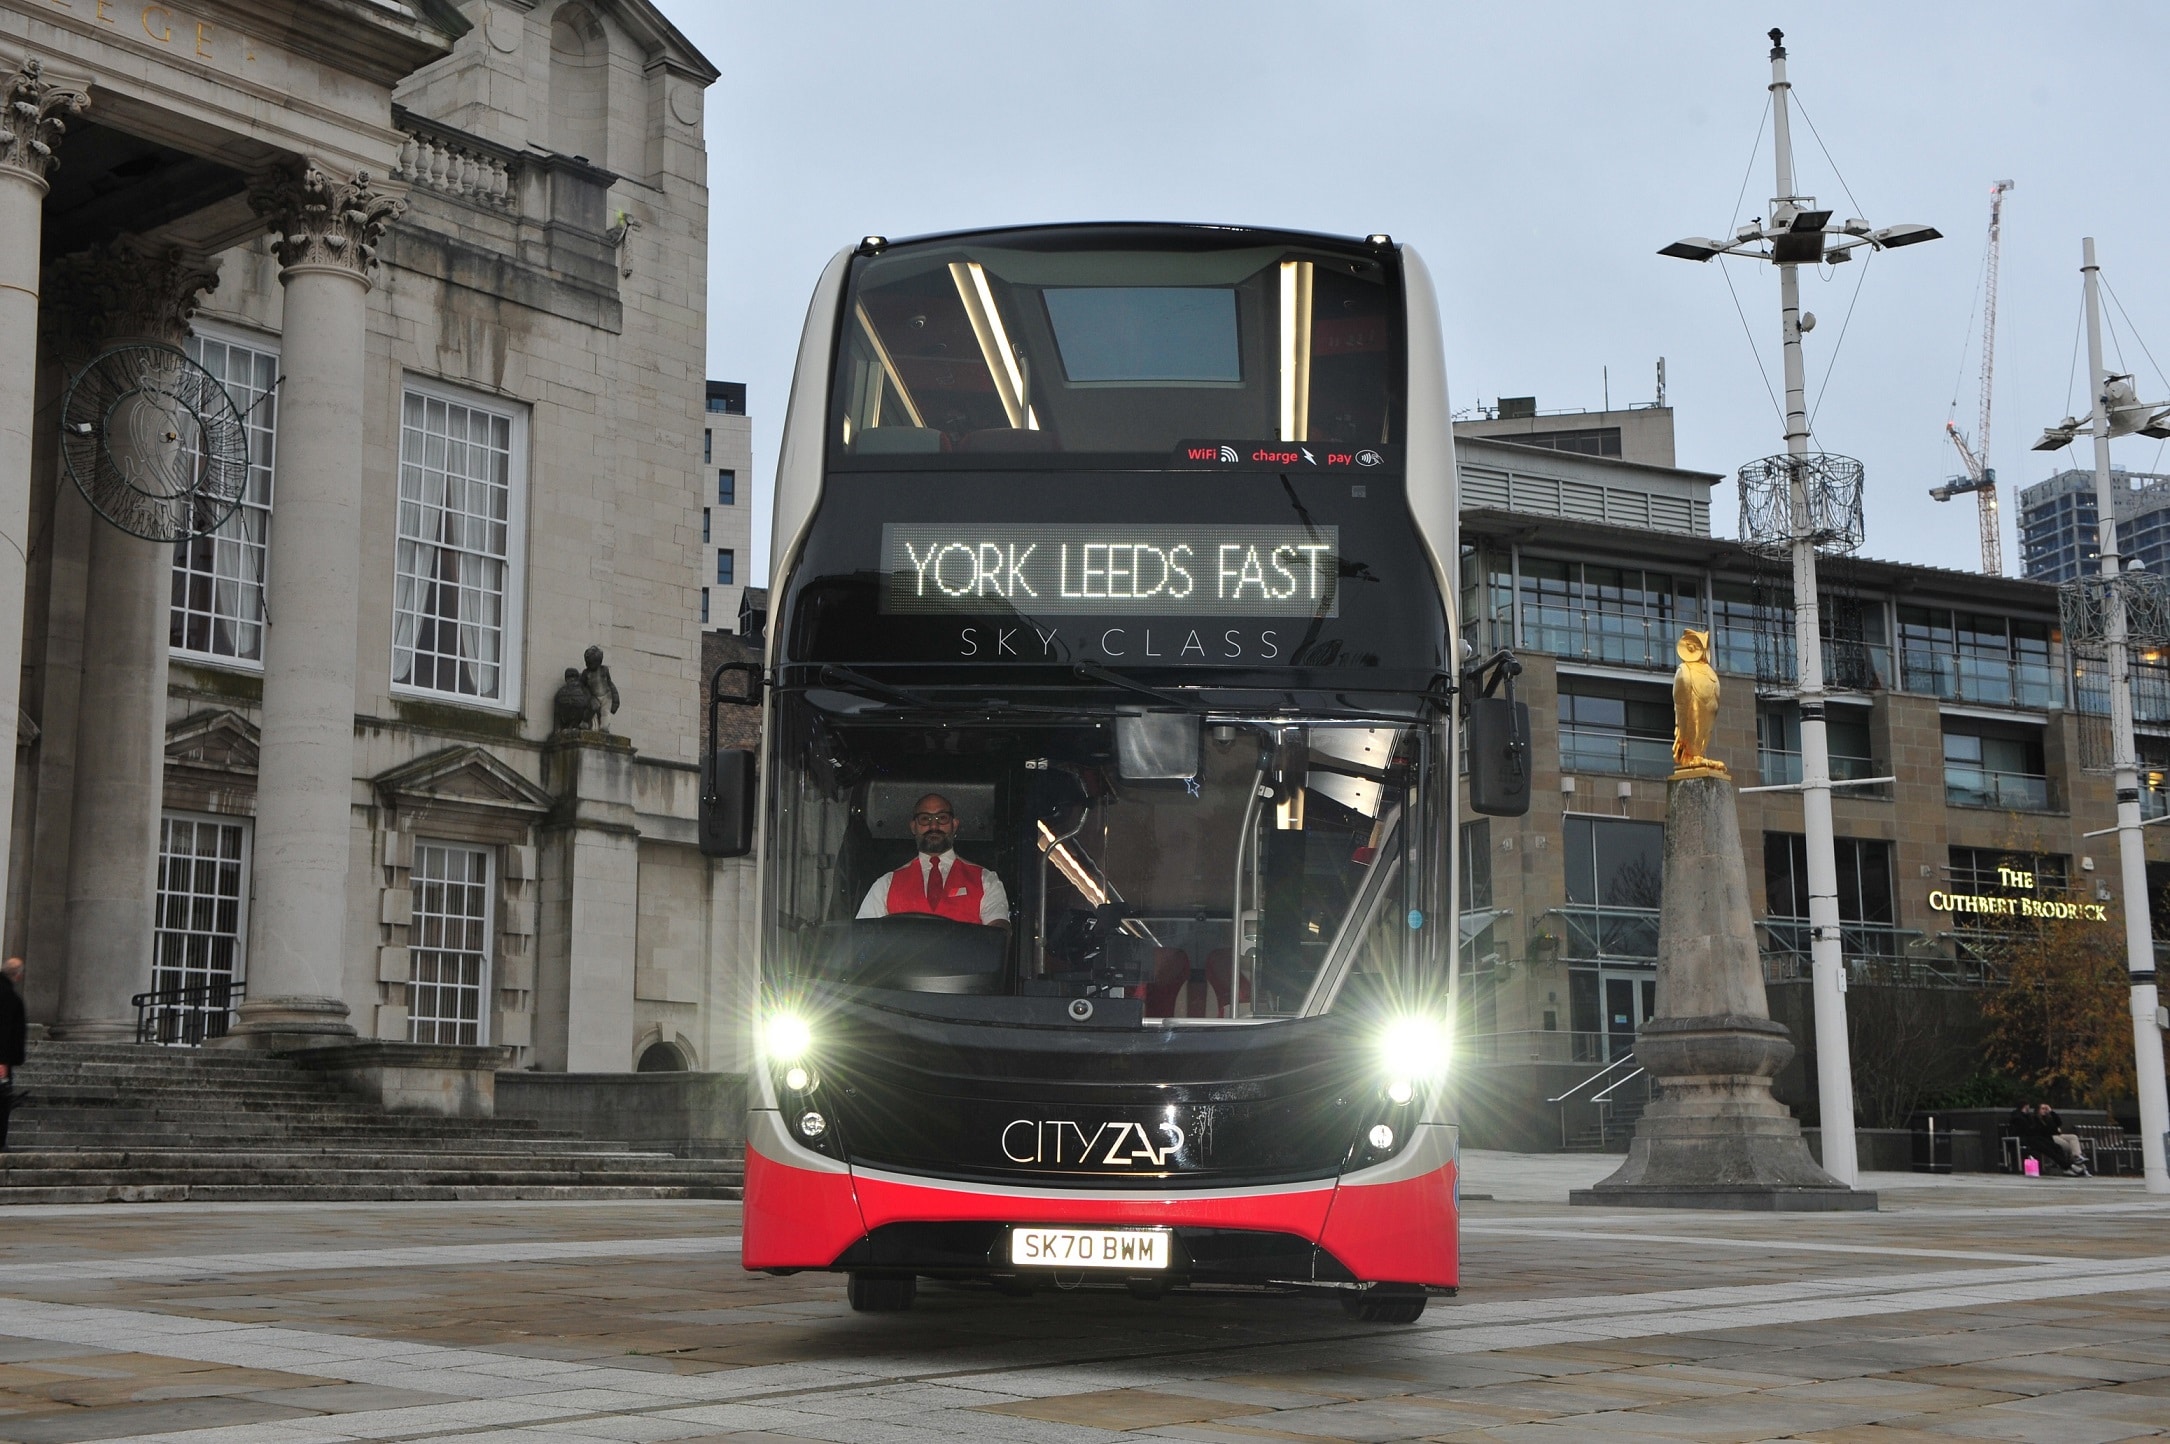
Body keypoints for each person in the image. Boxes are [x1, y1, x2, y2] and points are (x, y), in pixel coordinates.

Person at [857, 793, 1010, 930]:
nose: (934, 826)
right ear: (913, 827)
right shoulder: (886, 884)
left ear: (954, 825)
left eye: (942, 818)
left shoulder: (986, 880)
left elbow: (998, 933)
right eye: (925, 819)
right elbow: (863, 937)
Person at [0, 957, 24, 1152]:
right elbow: (5, 1030)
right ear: (17, 975)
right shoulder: (8, 997)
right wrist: (3, 1060)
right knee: (2, 1100)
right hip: (2, 1059)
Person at [2038, 1102, 2091, 1177]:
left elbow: (2059, 1123)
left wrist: (2051, 1112)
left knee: (2073, 1137)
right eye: (2042, 1109)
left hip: (2058, 1135)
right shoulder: (2037, 1119)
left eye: (2045, 1109)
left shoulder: (2049, 1117)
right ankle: (2082, 1167)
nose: (2044, 1111)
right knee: (2071, 1147)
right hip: (2050, 1137)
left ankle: (2077, 1156)